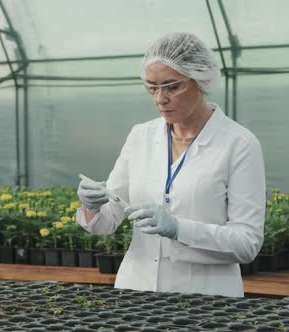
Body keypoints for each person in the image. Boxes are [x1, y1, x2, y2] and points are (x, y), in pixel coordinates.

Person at [75, 32, 265, 297]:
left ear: (200, 80)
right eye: (152, 87)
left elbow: (247, 243)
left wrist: (180, 229)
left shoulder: (239, 144)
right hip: (136, 292)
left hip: (207, 299)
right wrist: (92, 206)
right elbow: (109, 219)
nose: (160, 98)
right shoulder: (141, 136)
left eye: (172, 86)